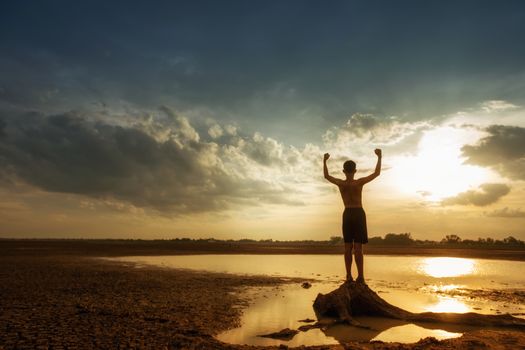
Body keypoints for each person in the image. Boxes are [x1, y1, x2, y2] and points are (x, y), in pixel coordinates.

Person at [323, 149, 382, 284]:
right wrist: (379, 156)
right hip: (358, 213)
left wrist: (325, 161)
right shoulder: (358, 183)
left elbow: (326, 176)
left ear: (344, 171)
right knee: (358, 248)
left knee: (347, 247)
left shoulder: (341, 183)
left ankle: (349, 276)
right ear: (355, 171)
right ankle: (360, 277)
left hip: (348, 213)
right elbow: (377, 173)